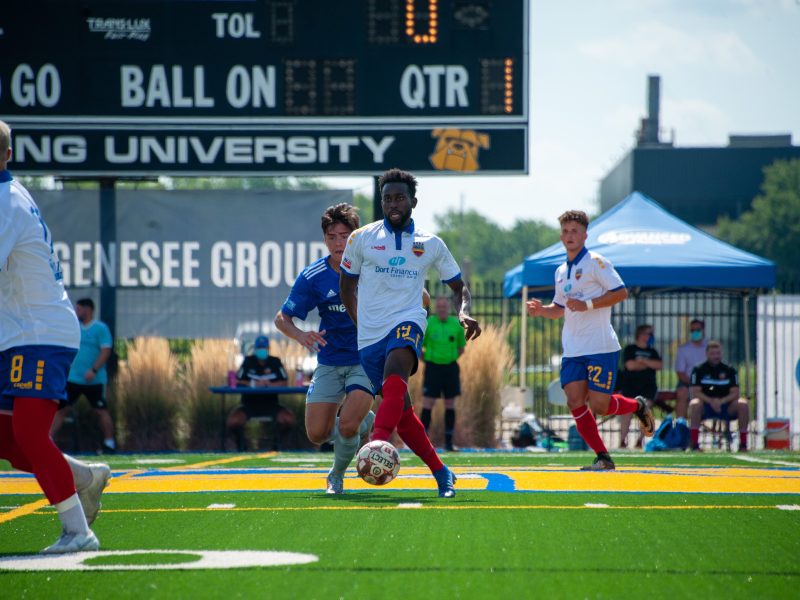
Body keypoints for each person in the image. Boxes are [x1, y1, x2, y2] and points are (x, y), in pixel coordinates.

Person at [0, 120, 110, 553]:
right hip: (22, 333)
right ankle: (85, 476)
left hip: (38, 333)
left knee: (28, 434)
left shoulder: (5, 202)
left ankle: (78, 532)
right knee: (8, 440)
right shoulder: (12, 194)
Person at [339, 168, 481, 498]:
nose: (393, 204)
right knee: (402, 413)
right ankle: (442, 473)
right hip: (370, 335)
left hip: (408, 320)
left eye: (400, 198)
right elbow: (346, 287)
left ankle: (376, 445)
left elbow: (458, 287)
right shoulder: (361, 238)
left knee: (396, 371)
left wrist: (463, 312)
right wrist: (360, 322)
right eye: (387, 198)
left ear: (413, 202)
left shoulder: (431, 244)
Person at [526, 210, 655, 471]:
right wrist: (541, 311)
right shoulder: (561, 271)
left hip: (600, 347)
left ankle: (637, 405)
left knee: (600, 405)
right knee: (574, 401)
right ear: (561, 236)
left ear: (585, 235)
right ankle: (603, 457)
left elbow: (621, 292)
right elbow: (559, 308)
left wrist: (587, 304)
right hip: (573, 349)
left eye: (575, 231)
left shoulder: (596, 262)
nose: (569, 235)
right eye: (565, 231)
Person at [275, 203, 376, 494]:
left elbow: (410, 294)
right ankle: (364, 422)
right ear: (324, 239)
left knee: (346, 427)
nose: (338, 243)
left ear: (356, 237)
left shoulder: (373, 268)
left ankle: (336, 476)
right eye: (332, 237)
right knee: (317, 434)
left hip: (365, 359)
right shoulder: (314, 275)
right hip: (330, 361)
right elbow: (282, 318)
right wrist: (300, 335)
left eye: (345, 236)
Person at [51, 298, 116, 453]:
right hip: (73, 379)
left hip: (94, 380)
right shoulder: (74, 328)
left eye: (79, 309)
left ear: (88, 309)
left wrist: (93, 370)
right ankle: (47, 440)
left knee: (101, 411)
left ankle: (109, 444)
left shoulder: (100, 328)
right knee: (61, 410)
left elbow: (106, 351)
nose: (76, 311)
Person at [226, 335, 295, 451]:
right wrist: (253, 383)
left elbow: (285, 382)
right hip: (249, 405)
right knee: (233, 421)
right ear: (255, 349)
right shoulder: (248, 361)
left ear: (268, 348)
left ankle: (276, 445)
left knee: (288, 419)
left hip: (271, 405)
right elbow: (236, 380)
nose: (262, 350)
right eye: (259, 348)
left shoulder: (275, 362)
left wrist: (270, 384)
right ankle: (242, 446)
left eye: (264, 348)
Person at [420, 296, 466, 451]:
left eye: (444, 307)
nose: (442, 310)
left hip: (450, 369)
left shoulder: (456, 325)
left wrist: (449, 359)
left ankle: (448, 443)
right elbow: (420, 345)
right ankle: (422, 442)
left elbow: (461, 348)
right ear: (436, 309)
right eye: (439, 307)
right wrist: (427, 360)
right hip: (432, 368)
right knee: (428, 403)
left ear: (448, 308)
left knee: (450, 404)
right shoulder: (429, 323)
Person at [688, 341, 750, 452]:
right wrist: (711, 401)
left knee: (743, 404)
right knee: (695, 404)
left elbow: (735, 392)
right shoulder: (698, 370)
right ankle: (694, 445)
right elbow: (695, 392)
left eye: (718, 353)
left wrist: (721, 401)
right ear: (707, 354)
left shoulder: (730, 370)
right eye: (712, 354)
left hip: (726, 406)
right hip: (706, 406)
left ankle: (743, 444)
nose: (716, 356)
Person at [618, 324, 662, 449]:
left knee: (645, 410)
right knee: (626, 412)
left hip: (648, 388)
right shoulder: (630, 349)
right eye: (648, 333)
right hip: (630, 387)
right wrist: (648, 365)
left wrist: (642, 361)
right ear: (640, 334)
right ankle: (622, 441)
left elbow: (658, 365)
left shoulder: (653, 351)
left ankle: (640, 441)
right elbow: (630, 366)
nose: (650, 336)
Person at [675, 318, 707, 419]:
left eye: (698, 330)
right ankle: (681, 423)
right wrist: (693, 383)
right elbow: (680, 372)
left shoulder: (710, 348)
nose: (695, 333)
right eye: (692, 330)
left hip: (708, 382)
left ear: (703, 330)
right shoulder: (683, 349)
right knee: (682, 392)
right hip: (688, 382)